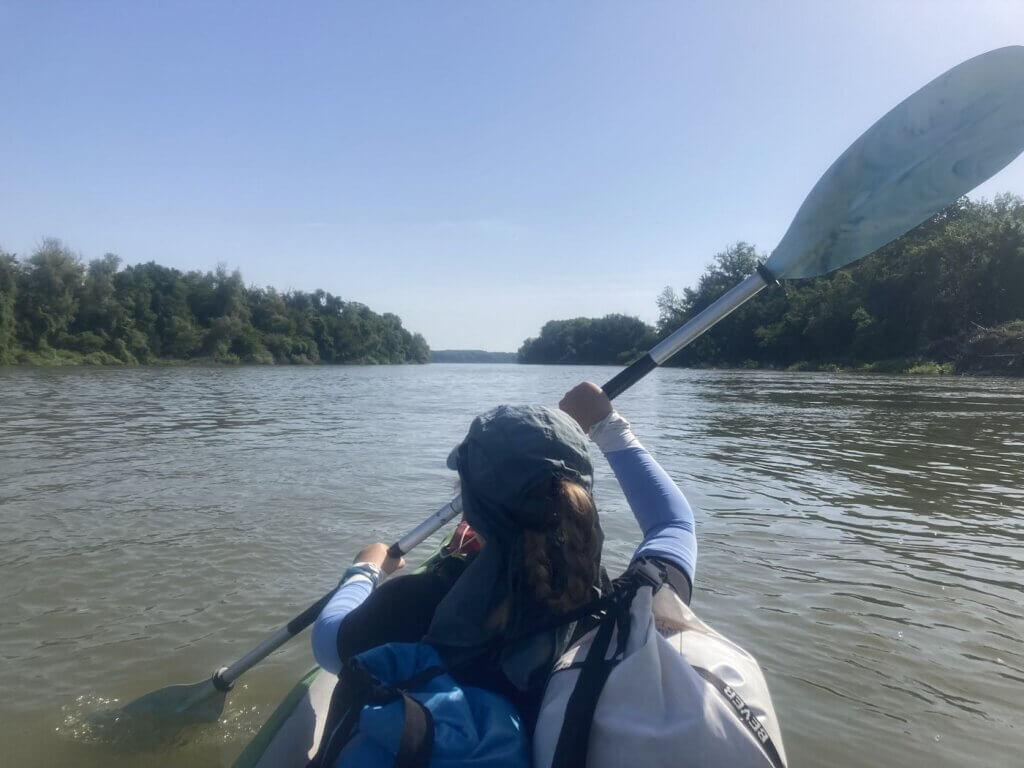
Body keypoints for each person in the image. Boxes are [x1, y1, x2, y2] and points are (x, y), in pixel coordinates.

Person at [311, 380, 697, 732]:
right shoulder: (631, 604)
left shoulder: (415, 604)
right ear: (582, 493)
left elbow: (327, 642)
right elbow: (674, 525)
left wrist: (367, 568)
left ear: (472, 507)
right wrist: (607, 425)